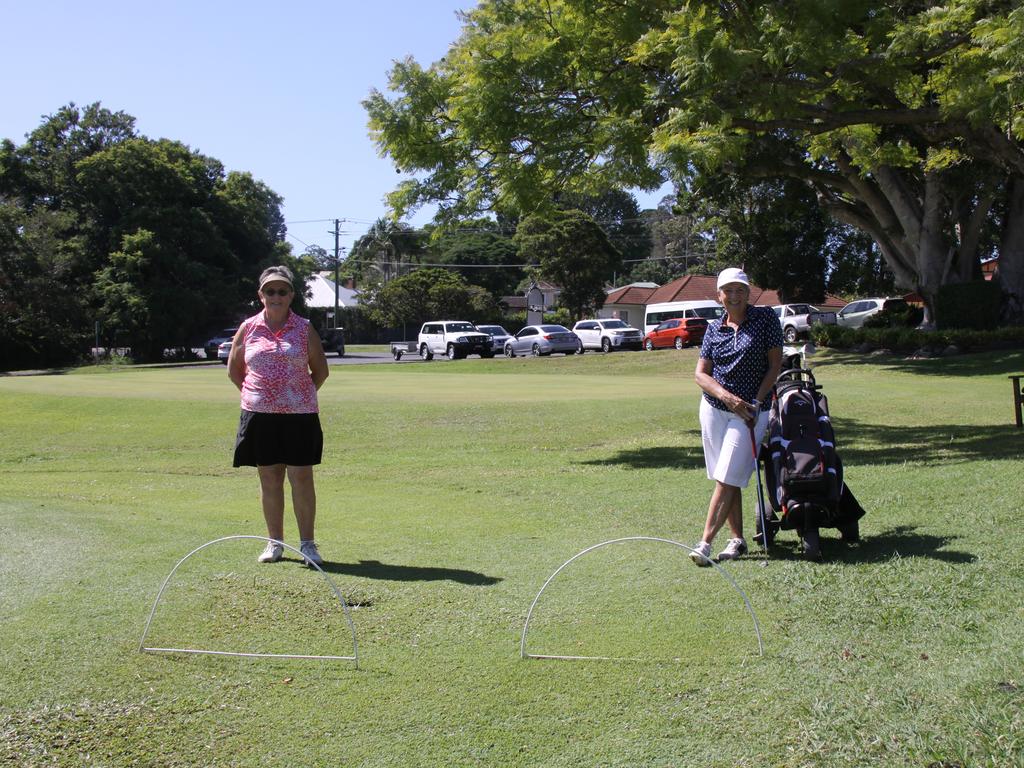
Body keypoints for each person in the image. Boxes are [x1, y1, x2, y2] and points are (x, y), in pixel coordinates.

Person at [228, 266, 330, 566]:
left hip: (299, 415)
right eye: (270, 291)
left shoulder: (304, 328)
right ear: (261, 295)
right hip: (259, 415)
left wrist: (298, 395)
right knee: (270, 478)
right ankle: (275, 543)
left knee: (301, 476)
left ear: (291, 295)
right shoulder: (248, 328)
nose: (276, 296)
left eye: (282, 291)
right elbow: (235, 371)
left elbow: (321, 371)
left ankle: (308, 545)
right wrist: (257, 395)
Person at [690, 267, 783, 566]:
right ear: (719, 295)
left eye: (739, 289)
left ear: (748, 293)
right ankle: (737, 539)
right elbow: (700, 374)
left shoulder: (765, 319)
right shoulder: (713, 329)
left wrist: (754, 403)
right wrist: (727, 398)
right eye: (728, 290)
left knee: (727, 477)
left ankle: (704, 543)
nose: (734, 295)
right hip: (715, 409)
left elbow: (775, 366)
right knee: (724, 477)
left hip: (751, 413)